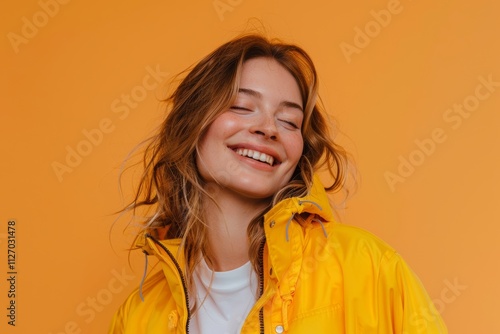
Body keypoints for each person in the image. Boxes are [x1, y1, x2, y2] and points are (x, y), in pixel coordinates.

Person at [109, 33, 448, 333]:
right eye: (242, 107)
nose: (268, 128)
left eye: (288, 121)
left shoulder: (369, 269)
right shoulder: (138, 316)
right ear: (193, 125)